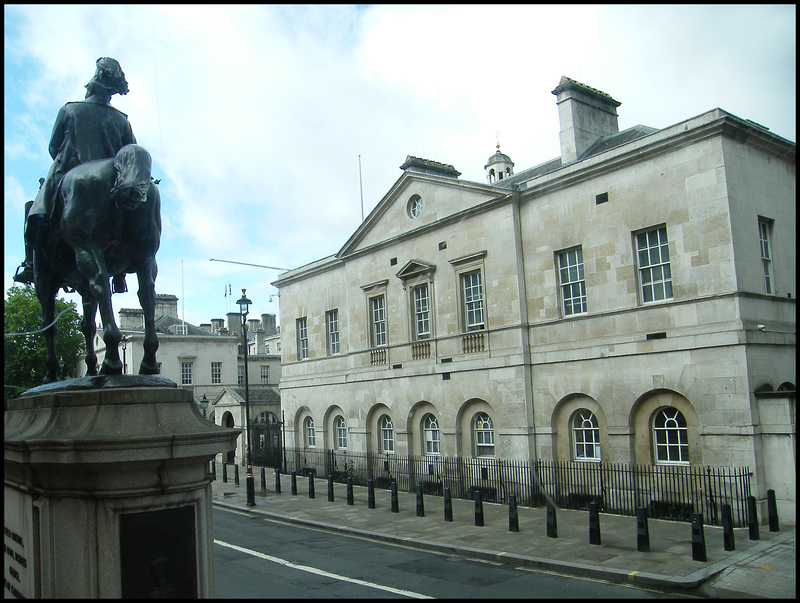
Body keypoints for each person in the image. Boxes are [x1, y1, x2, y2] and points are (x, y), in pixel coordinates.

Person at [14, 57, 137, 286]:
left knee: (34, 211)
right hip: (110, 184)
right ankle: (120, 275)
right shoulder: (121, 120)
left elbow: (53, 147)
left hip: (68, 173)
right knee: (126, 214)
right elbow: (128, 153)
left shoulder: (70, 109)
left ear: (91, 86)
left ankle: (31, 264)